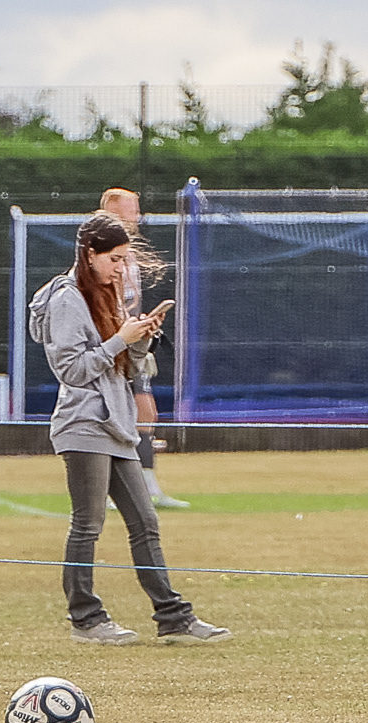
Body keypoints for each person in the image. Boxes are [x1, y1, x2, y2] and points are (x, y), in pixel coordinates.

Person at [28, 211, 230, 646]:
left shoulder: (107, 294)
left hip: (117, 424)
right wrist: (122, 338)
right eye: (115, 259)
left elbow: (124, 367)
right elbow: (72, 371)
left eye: (125, 259)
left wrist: (141, 339)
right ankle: (86, 619)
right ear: (90, 254)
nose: (121, 269)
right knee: (88, 524)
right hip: (84, 423)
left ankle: (173, 617)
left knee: (145, 520)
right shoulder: (67, 299)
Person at [98, 187, 189, 510]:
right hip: (110, 346)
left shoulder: (129, 253)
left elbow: (128, 301)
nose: (138, 217)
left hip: (130, 342)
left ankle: (148, 487)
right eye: (132, 210)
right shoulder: (99, 253)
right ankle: (109, 489)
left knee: (145, 412)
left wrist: (143, 326)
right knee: (117, 414)